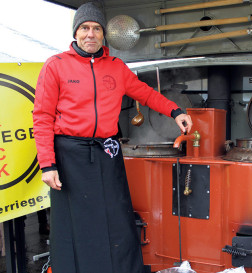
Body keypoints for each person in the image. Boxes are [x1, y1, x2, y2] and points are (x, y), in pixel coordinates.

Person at [32, 2, 192, 273]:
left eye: (96, 28)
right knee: (77, 222)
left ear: (103, 34)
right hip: (70, 153)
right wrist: (47, 165)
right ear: (76, 32)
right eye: (85, 28)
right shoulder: (55, 66)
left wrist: (175, 111)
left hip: (107, 151)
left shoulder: (116, 67)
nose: (90, 34)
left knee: (116, 218)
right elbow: (42, 116)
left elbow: (146, 93)